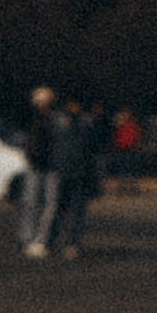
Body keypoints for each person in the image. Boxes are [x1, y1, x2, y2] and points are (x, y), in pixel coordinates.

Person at [48, 99, 102, 257]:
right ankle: (51, 240)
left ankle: (72, 242)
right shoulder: (60, 121)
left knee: (77, 210)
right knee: (58, 208)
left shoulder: (85, 123)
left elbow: (92, 149)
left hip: (79, 172)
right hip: (63, 169)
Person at [18, 90, 60, 257]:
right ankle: (27, 238)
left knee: (47, 205)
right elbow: (29, 142)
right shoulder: (33, 120)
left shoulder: (53, 120)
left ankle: (40, 239)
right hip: (36, 165)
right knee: (31, 202)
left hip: (49, 166)